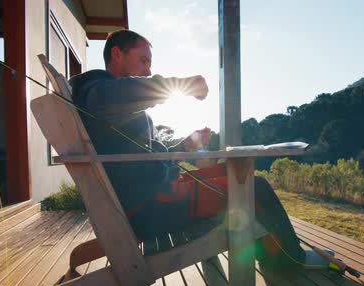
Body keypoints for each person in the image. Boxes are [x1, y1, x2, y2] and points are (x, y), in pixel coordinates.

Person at [69, 29, 326, 270]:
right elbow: (111, 97)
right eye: (143, 61)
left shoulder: (106, 101)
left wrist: (183, 145)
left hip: (154, 192)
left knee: (235, 172)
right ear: (117, 54)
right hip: (152, 205)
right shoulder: (96, 91)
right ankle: (293, 261)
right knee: (255, 188)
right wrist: (181, 85)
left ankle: (272, 255)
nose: (148, 71)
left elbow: (141, 154)